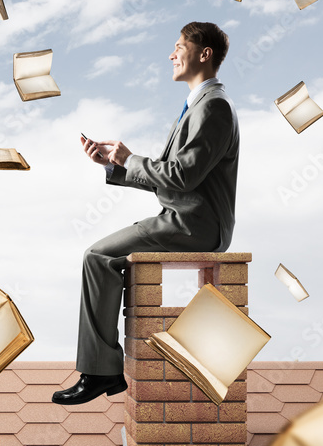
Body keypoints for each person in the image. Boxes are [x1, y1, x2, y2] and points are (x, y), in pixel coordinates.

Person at [52, 22, 240, 406]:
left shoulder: (214, 107)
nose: (171, 55)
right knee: (99, 256)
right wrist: (115, 165)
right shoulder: (198, 105)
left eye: (178, 46)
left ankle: (101, 372)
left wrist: (130, 158)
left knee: (98, 256)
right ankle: (103, 369)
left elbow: (181, 177)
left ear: (203, 54)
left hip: (196, 226)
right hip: (185, 217)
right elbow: (173, 180)